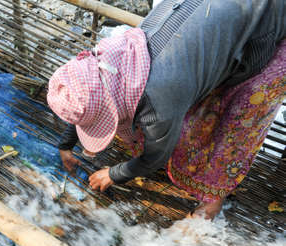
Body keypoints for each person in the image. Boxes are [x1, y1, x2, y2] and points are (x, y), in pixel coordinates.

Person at [47, 0, 285, 219]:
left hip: (267, 25)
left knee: (235, 113)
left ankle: (214, 199)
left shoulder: (158, 100)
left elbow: (155, 156)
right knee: (194, 98)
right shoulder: (106, 59)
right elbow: (88, 97)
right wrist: (66, 144)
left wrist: (114, 174)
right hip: (208, 20)